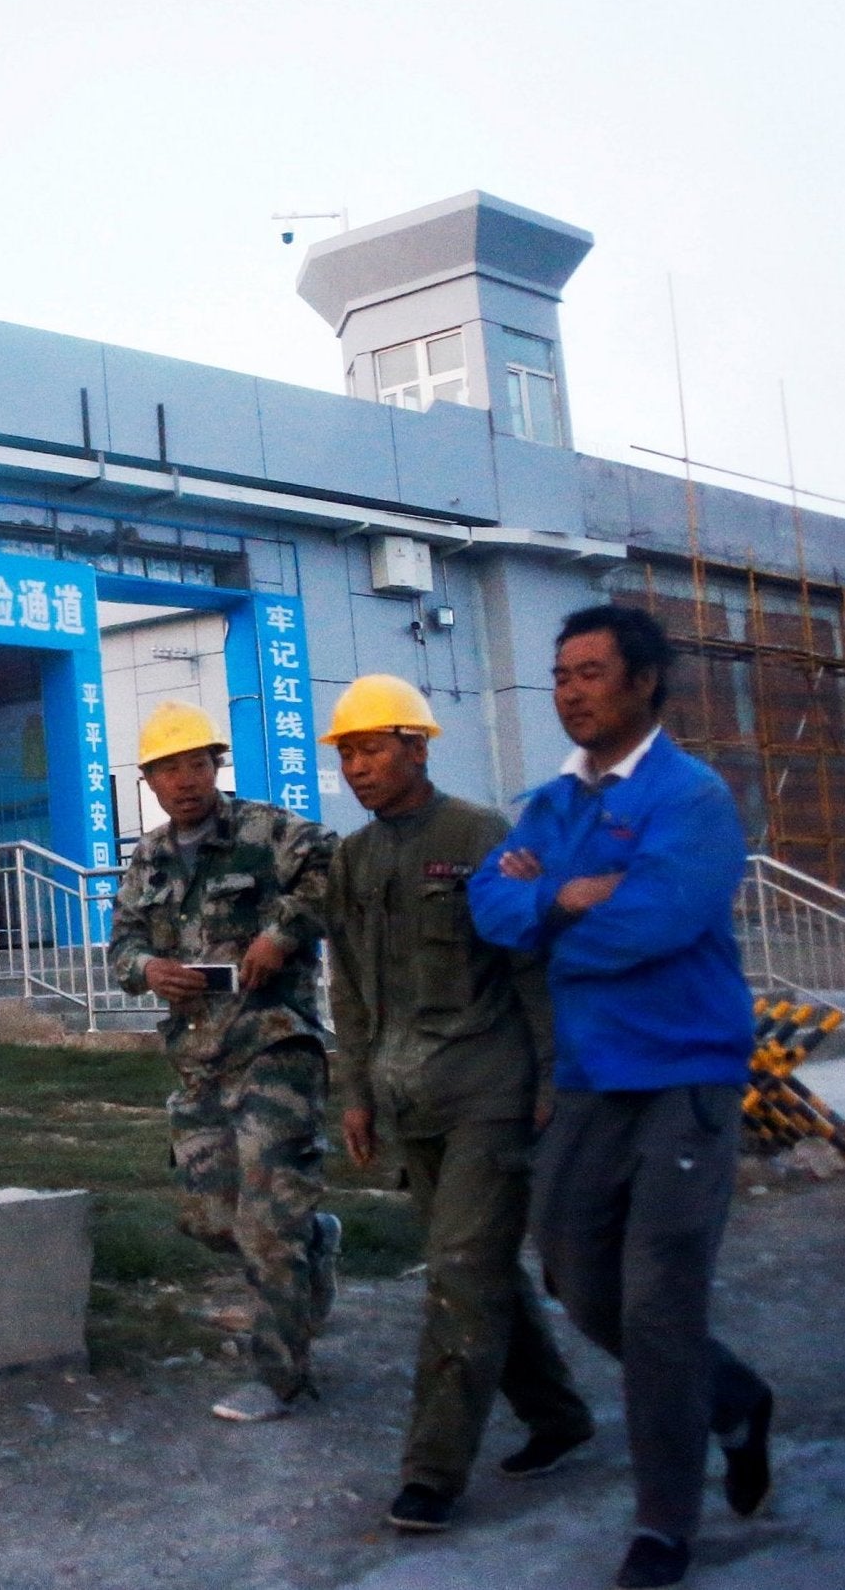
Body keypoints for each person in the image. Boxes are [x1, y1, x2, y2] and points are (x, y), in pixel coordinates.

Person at [469, 604, 773, 1590]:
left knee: (657, 1304)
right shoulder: (554, 805)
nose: (570, 690)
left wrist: (547, 912)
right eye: (560, 673)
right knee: (573, 1276)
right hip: (590, 1079)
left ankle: (662, 1523)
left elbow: (652, 921)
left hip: (685, 1077)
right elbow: (489, 905)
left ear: (643, 680)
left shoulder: (693, 798)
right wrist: (560, 897)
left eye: (590, 671)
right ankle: (731, 1397)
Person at [320, 674, 593, 1536]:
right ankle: (557, 1416)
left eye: (371, 748)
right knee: (479, 1271)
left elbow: (531, 969)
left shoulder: (479, 837)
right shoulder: (352, 861)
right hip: (409, 1101)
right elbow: (351, 990)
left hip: (488, 1095)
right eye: (347, 754)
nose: (358, 767)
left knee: (457, 1276)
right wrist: (356, 1091)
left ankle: (430, 1470)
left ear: (417, 745)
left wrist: (554, 1081)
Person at [110, 699, 340, 1423]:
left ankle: (277, 1378)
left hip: (273, 1043)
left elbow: (333, 869)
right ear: (147, 779)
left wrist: (280, 930)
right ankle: (317, 1235)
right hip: (199, 1060)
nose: (185, 780)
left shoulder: (264, 830)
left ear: (216, 766)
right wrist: (148, 967)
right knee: (213, 1219)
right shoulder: (145, 858)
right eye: (168, 768)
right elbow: (119, 947)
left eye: (196, 764)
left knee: (265, 1223)